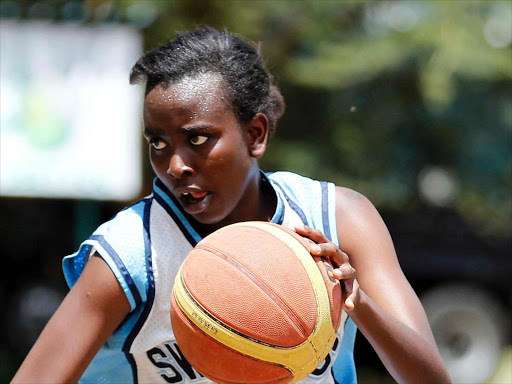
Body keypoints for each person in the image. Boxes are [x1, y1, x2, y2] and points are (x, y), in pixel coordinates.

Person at [12, 28, 450, 384]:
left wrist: (359, 303)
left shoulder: (337, 219)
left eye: (197, 139)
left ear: (256, 134)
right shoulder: (131, 254)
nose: (176, 165)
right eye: (158, 143)